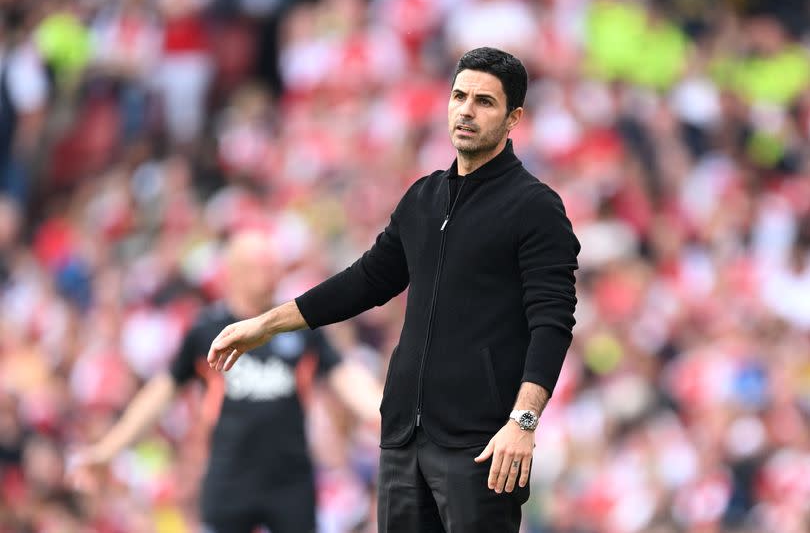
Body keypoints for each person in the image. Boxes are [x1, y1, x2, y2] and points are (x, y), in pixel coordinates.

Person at [206, 47, 580, 533]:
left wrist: (523, 423)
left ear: (514, 118)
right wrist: (264, 325)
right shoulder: (424, 197)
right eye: (459, 96)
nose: (466, 110)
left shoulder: (535, 207)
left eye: (485, 102)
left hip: (482, 443)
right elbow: (366, 281)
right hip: (404, 437)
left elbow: (552, 322)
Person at [68, 230, 383, 533]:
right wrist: (108, 450)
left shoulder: (299, 326)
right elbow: (160, 393)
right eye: (261, 266)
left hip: (291, 480)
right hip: (229, 479)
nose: (272, 274)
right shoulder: (208, 330)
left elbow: (345, 377)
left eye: (275, 265)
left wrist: (385, 415)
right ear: (233, 272)